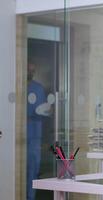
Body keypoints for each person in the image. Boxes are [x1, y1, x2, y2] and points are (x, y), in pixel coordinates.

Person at [27, 61, 50, 200]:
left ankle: (30, 197)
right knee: (18, 171)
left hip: (35, 136)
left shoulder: (38, 88)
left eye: (32, 70)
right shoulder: (15, 87)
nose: (30, 73)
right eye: (28, 69)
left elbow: (44, 112)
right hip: (16, 136)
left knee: (32, 172)